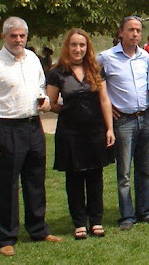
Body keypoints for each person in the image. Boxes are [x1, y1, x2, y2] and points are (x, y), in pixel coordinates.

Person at [0, 17, 62, 257]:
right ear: (4, 37)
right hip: (6, 128)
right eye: (13, 36)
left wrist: (44, 100)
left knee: (35, 182)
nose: (18, 40)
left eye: (22, 36)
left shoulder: (33, 59)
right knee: (6, 186)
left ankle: (38, 229)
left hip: (33, 126)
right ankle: (6, 237)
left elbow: (40, 87)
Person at [46, 29, 116, 240]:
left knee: (95, 177)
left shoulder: (96, 69)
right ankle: (79, 223)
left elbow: (104, 100)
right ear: (67, 47)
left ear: (88, 48)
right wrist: (61, 108)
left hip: (95, 130)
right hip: (70, 132)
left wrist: (110, 128)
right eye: (74, 45)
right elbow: (51, 104)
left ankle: (96, 221)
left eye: (82, 45)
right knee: (74, 178)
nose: (78, 49)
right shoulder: (57, 73)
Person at [97, 15, 149, 231]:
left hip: (146, 116)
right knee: (124, 171)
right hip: (123, 121)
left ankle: (145, 211)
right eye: (130, 30)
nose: (135, 34)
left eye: (138, 30)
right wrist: (107, 107)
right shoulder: (105, 58)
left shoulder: (145, 57)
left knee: (145, 169)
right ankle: (127, 215)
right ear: (120, 33)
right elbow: (92, 84)